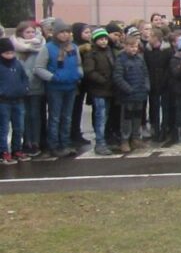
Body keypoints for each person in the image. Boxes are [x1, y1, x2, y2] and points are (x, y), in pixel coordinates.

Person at [35, 19, 83, 158]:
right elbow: (39, 68)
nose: (64, 35)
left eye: (67, 32)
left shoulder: (73, 47)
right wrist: (53, 77)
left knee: (67, 117)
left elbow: (78, 64)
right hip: (55, 87)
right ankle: (53, 145)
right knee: (55, 117)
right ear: (55, 33)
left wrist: (78, 74)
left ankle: (65, 143)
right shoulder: (48, 48)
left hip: (71, 86)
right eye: (61, 32)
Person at [81, 28, 117, 155]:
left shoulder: (110, 52)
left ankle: (105, 140)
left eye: (105, 39)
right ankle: (100, 143)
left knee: (106, 116)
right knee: (100, 117)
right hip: (99, 90)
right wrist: (102, 80)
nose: (104, 41)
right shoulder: (91, 54)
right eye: (101, 39)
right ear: (95, 41)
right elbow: (89, 72)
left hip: (110, 89)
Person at [13, 22, 46, 157]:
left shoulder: (41, 47)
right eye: (28, 32)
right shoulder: (15, 48)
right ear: (21, 33)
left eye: (33, 32)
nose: (31, 34)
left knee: (35, 115)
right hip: (20, 89)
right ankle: (26, 142)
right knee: (24, 116)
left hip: (36, 87)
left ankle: (36, 142)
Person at [113, 35, 150, 152]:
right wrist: (128, 89)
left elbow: (145, 74)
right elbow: (118, 77)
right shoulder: (121, 59)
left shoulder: (140, 59)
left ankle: (135, 138)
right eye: (131, 46)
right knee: (126, 119)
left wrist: (146, 86)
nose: (134, 49)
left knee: (137, 117)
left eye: (135, 47)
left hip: (140, 94)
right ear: (125, 46)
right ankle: (125, 140)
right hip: (128, 95)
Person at [0, 36, 30, 164]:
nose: (10, 55)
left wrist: (24, 89)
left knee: (19, 127)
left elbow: (24, 78)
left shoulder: (17, 64)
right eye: (7, 53)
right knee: (4, 128)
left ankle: (17, 149)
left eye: (12, 52)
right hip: (3, 101)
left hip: (18, 100)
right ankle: (3, 152)